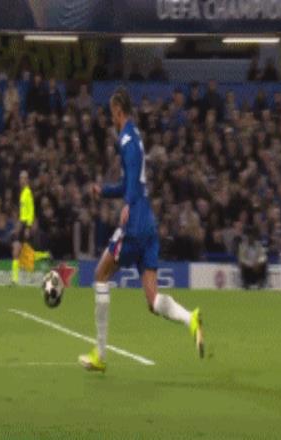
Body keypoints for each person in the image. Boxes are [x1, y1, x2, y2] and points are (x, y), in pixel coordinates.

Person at [78, 87, 204, 372]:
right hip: (147, 221)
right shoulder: (135, 136)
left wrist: (127, 203)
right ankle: (190, 319)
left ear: (118, 111)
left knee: (100, 275)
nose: (111, 118)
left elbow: (133, 179)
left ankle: (100, 355)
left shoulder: (127, 139)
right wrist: (105, 191)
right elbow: (128, 182)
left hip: (134, 221)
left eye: (112, 113)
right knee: (152, 299)